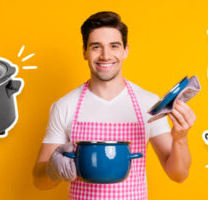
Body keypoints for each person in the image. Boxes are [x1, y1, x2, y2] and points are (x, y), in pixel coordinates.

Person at [33, 11, 196, 200]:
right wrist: (53, 170)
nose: (105, 55)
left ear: (125, 50)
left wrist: (180, 137)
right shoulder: (65, 106)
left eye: (114, 46)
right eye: (96, 47)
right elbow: (39, 182)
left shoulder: (148, 103)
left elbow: (178, 175)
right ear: (84, 52)